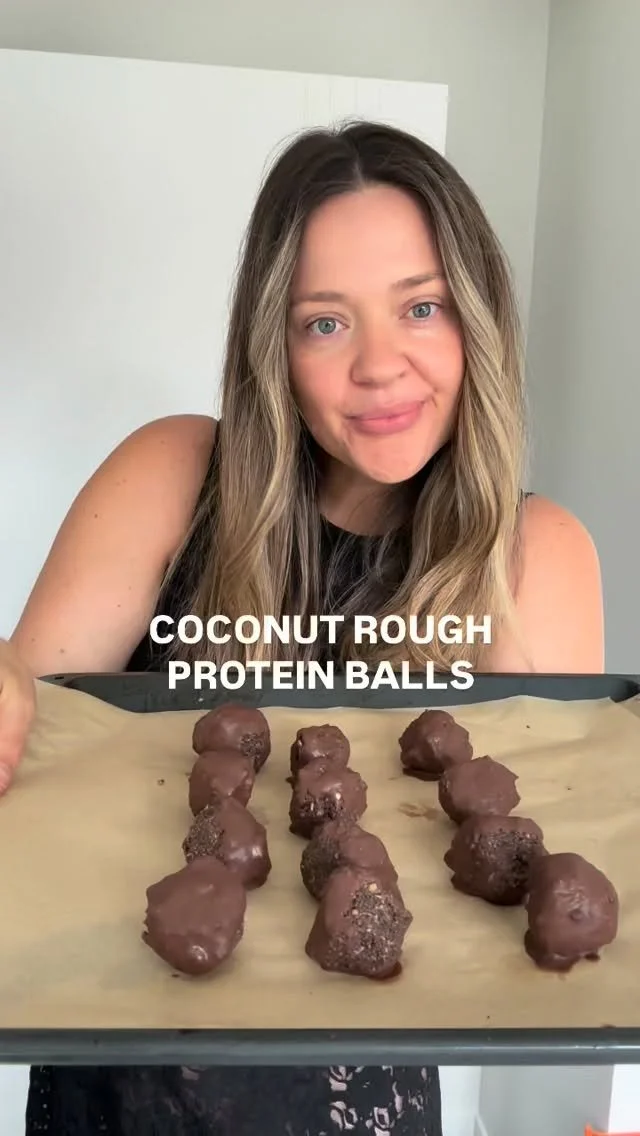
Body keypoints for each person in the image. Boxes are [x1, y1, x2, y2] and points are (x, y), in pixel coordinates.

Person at [0, 120, 603, 1135]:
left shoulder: (538, 554)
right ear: (273, 347)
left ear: (480, 322)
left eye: (421, 307)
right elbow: (32, 706)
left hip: (362, 1107)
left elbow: (523, 854)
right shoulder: (170, 476)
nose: (379, 366)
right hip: (118, 1090)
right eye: (325, 323)